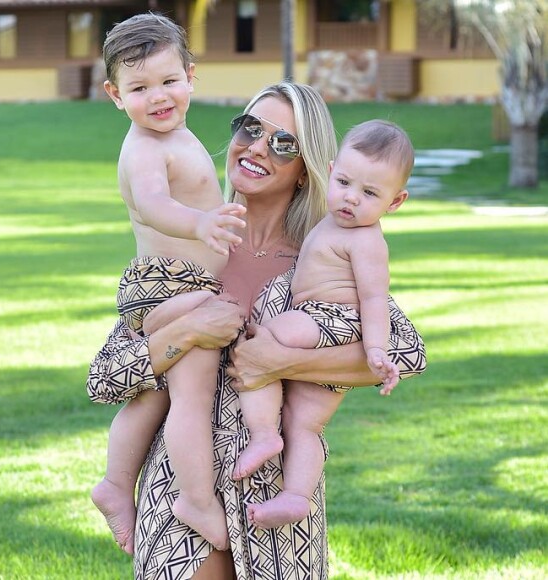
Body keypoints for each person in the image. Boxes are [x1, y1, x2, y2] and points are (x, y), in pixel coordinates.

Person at [87, 81, 426, 579]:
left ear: (310, 168)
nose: (258, 147)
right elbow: (106, 378)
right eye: (250, 128)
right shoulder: (193, 247)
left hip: (275, 502)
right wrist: (193, 329)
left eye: (283, 142)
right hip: (182, 491)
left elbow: (405, 354)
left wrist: (281, 361)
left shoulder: (324, 258)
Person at [90, 12, 247, 556]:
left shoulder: (175, 133)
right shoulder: (144, 149)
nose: (157, 96)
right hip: (171, 286)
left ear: (191, 77)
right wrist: (200, 223)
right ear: (115, 94)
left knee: (153, 395)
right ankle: (196, 499)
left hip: (178, 284)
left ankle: (115, 481)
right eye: (139, 87)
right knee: (192, 391)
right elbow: (156, 205)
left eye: (168, 81)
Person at [232, 119, 415, 529]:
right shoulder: (328, 220)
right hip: (319, 331)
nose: (351, 199)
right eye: (345, 183)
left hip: (329, 321)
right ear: (330, 173)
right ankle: (297, 496)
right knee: (305, 423)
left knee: (266, 336)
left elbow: (373, 299)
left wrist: (376, 351)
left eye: (370, 193)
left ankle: (262, 433)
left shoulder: (366, 240)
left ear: (396, 200)